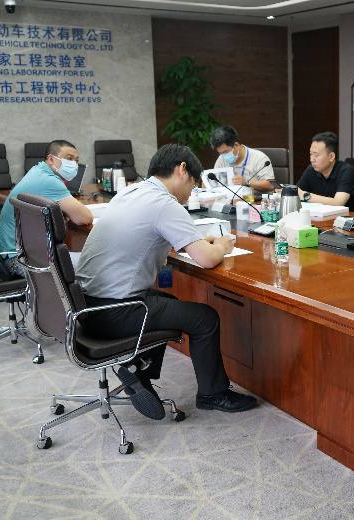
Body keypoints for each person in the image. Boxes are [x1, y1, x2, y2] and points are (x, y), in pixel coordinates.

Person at [75, 143, 257, 420]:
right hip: (115, 312)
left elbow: (142, 234)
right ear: (182, 170)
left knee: (167, 302)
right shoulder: (164, 204)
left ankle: (140, 373)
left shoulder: (131, 192)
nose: (191, 192)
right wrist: (221, 245)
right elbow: (208, 259)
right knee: (204, 318)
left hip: (87, 307)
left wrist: (193, 240)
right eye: (193, 184)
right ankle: (213, 394)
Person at [0, 140, 93, 281]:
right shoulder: (49, 180)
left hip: (7, 256)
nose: (74, 164)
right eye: (69, 159)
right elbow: (85, 218)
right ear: (51, 159)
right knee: (94, 263)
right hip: (21, 262)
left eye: (76, 160)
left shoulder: (38, 170)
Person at [296, 131, 354, 211]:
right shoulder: (311, 170)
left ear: (331, 156)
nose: (312, 159)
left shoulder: (346, 171)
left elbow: (338, 202)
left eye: (316, 155)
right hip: (328, 216)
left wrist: (306, 196)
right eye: (311, 154)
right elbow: (297, 192)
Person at [211, 125, 276, 192]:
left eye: (226, 152)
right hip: (229, 197)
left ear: (236, 145)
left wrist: (247, 182)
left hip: (254, 197)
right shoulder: (221, 159)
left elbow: (270, 185)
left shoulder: (259, 158)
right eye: (220, 153)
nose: (224, 156)